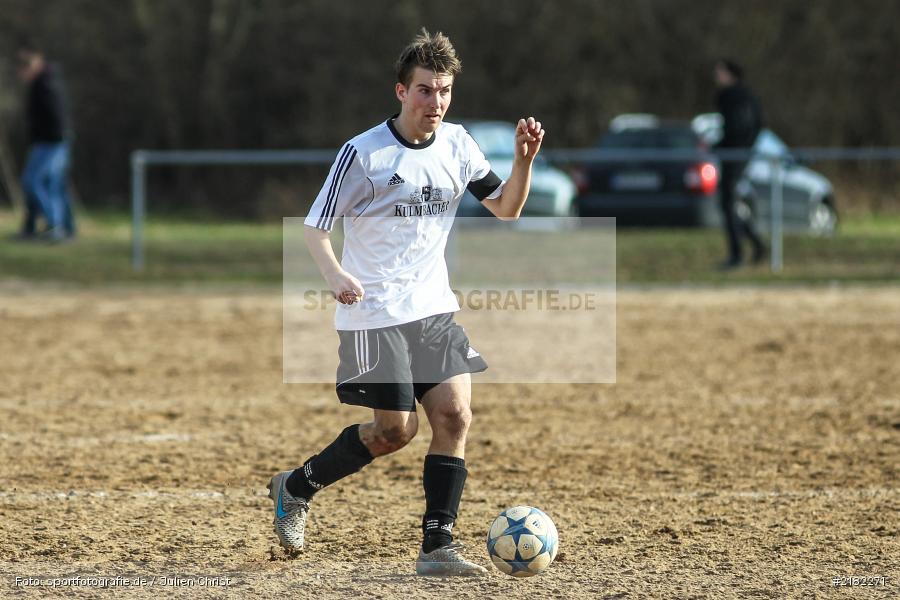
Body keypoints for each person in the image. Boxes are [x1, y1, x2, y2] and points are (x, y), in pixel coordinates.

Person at [268, 29, 544, 576]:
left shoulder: (459, 145)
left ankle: (437, 546)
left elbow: (507, 208)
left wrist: (523, 160)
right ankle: (296, 487)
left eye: (444, 91)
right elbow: (315, 227)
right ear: (401, 91)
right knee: (395, 431)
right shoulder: (364, 153)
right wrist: (336, 274)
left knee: (455, 415)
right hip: (373, 313)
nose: (435, 102)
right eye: (424, 90)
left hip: (433, 308)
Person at [15, 39, 76, 242]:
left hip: (52, 143)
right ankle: (51, 227)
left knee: (34, 181)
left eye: (25, 64)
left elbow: (57, 117)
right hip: (46, 142)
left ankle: (55, 225)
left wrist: (58, 139)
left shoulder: (47, 83)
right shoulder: (41, 82)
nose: (21, 70)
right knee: (52, 184)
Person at [713, 58, 764, 269]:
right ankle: (755, 245)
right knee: (728, 203)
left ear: (729, 74)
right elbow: (758, 124)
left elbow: (738, 127)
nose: (716, 76)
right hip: (739, 153)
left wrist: (723, 145)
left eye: (720, 72)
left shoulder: (732, 96)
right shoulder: (747, 96)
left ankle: (738, 253)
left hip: (734, 154)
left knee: (727, 203)